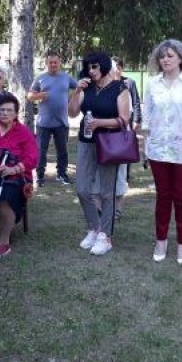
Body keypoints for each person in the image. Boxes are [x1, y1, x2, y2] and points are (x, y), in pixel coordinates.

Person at [142, 39, 182, 265]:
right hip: (158, 148)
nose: (166, 60)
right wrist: (146, 145)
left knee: (181, 196)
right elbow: (147, 117)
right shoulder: (152, 83)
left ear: (181, 57)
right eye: (162, 56)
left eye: (170, 55)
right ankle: (161, 240)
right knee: (163, 196)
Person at [68, 51, 130, 256]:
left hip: (109, 144)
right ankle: (95, 228)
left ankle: (106, 236)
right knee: (82, 189)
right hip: (87, 143)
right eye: (89, 67)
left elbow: (123, 120)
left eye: (95, 67)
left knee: (106, 192)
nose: (91, 71)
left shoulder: (120, 89)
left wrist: (100, 123)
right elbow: (72, 112)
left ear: (103, 67)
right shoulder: (86, 88)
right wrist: (77, 91)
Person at [0, 92, 38, 259]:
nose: (5, 113)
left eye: (9, 110)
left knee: (7, 193)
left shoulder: (23, 132)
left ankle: (3, 242)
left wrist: (14, 169)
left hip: (17, 177)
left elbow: (32, 158)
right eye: (1, 110)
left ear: (15, 113)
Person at [27, 51, 78, 186]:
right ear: (46, 63)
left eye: (55, 62)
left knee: (62, 150)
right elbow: (29, 96)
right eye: (50, 62)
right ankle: (39, 176)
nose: (53, 64)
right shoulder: (40, 78)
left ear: (60, 63)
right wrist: (39, 95)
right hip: (44, 123)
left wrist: (74, 98)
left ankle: (62, 174)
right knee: (41, 151)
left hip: (61, 122)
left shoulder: (66, 78)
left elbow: (79, 88)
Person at [111, 56, 142, 218]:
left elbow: (135, 104)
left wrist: (136, 121)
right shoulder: (99, 86)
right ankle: (103, 208)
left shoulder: (127, 85)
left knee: (121, 172)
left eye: (114, 67)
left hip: (123, 133)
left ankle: (117, 208)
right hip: (105, 138)